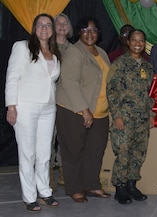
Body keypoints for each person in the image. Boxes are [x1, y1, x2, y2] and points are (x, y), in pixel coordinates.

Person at [5, 13, 61, 212]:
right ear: (34, 28)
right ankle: (29, 197)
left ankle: (45, 191)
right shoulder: (22, 47)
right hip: (25, 106)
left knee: (44, 153)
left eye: (48, 25)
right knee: (27, 154)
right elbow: (12, 77)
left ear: (52, 30)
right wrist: (11, 106)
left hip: (48, 107)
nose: (44, 28)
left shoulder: (54, 53)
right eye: (40, 25)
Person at [56, 16, 111, 203]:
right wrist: (84, 110)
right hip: (74, 110)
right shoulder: (74, 52)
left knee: (95, 152)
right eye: (85, 30)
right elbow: (70, 82)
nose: (90, 34)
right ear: (79, 32)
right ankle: (75, 188)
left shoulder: (102, 53)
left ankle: (92, 185)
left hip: (100, 113)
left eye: (94, 30)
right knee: (74, 151)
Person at [107, 29, 155, 205]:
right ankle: (120, 187)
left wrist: (150, 114)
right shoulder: (119, 64)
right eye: (134, 40)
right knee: (123, 152)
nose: (138, 43)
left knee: (138, 152)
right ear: (128, 42)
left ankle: (132, 185)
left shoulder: (148, 66)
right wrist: (117, 116)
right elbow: (111, 91)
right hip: (124, 118)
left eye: (141, 40)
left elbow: (150, 93)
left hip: (142, 118)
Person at [49, 13, 73, 192]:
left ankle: (65, 173)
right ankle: (47, 174)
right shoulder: (46, 47)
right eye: (58, 23)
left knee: (66, 139)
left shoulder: (74, 49)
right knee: (47, 140)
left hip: (67, 102)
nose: (62, 26)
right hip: (48, 101)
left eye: (65, 23)